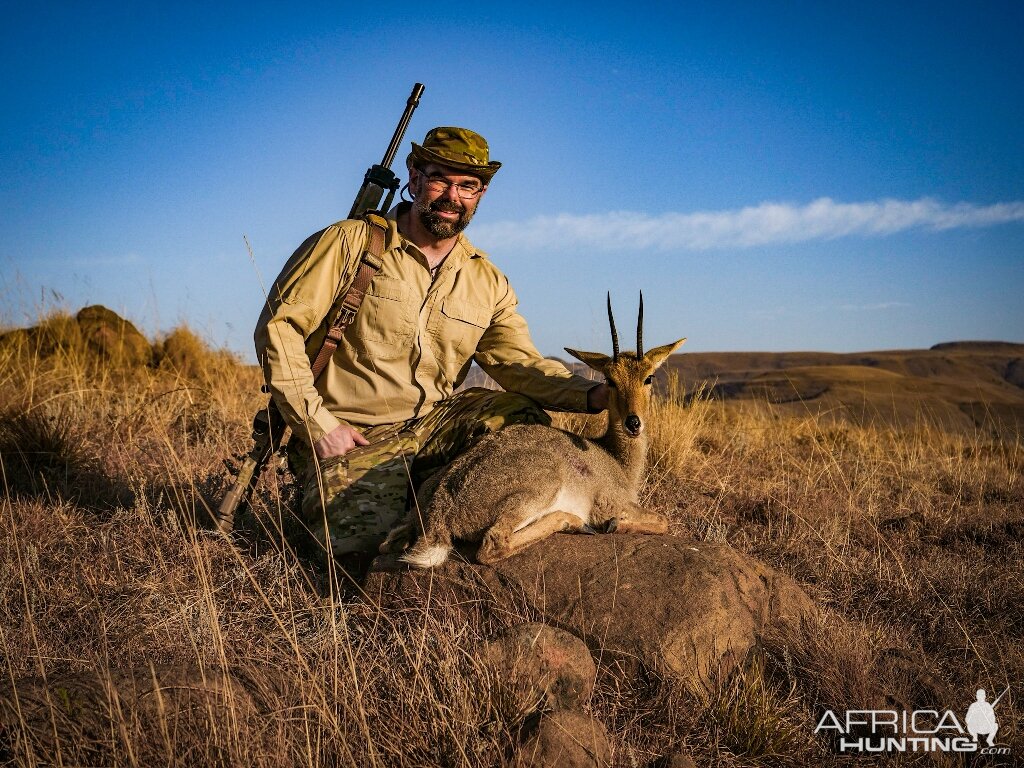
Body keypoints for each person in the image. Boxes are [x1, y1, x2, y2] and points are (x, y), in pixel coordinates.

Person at [255, 127, 608, 572]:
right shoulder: (350, 243)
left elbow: (518, 363)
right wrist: (319, 425)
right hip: (353, 436)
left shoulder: (486, 280)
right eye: (441, 179)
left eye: (467, 186)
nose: (452, 197)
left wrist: (593, 395)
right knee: (360, 553)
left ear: (481, 193)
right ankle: (378, 503)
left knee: (520, 416)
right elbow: (279, 327)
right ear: (415, 176)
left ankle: (450, 504)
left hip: (434, 429)